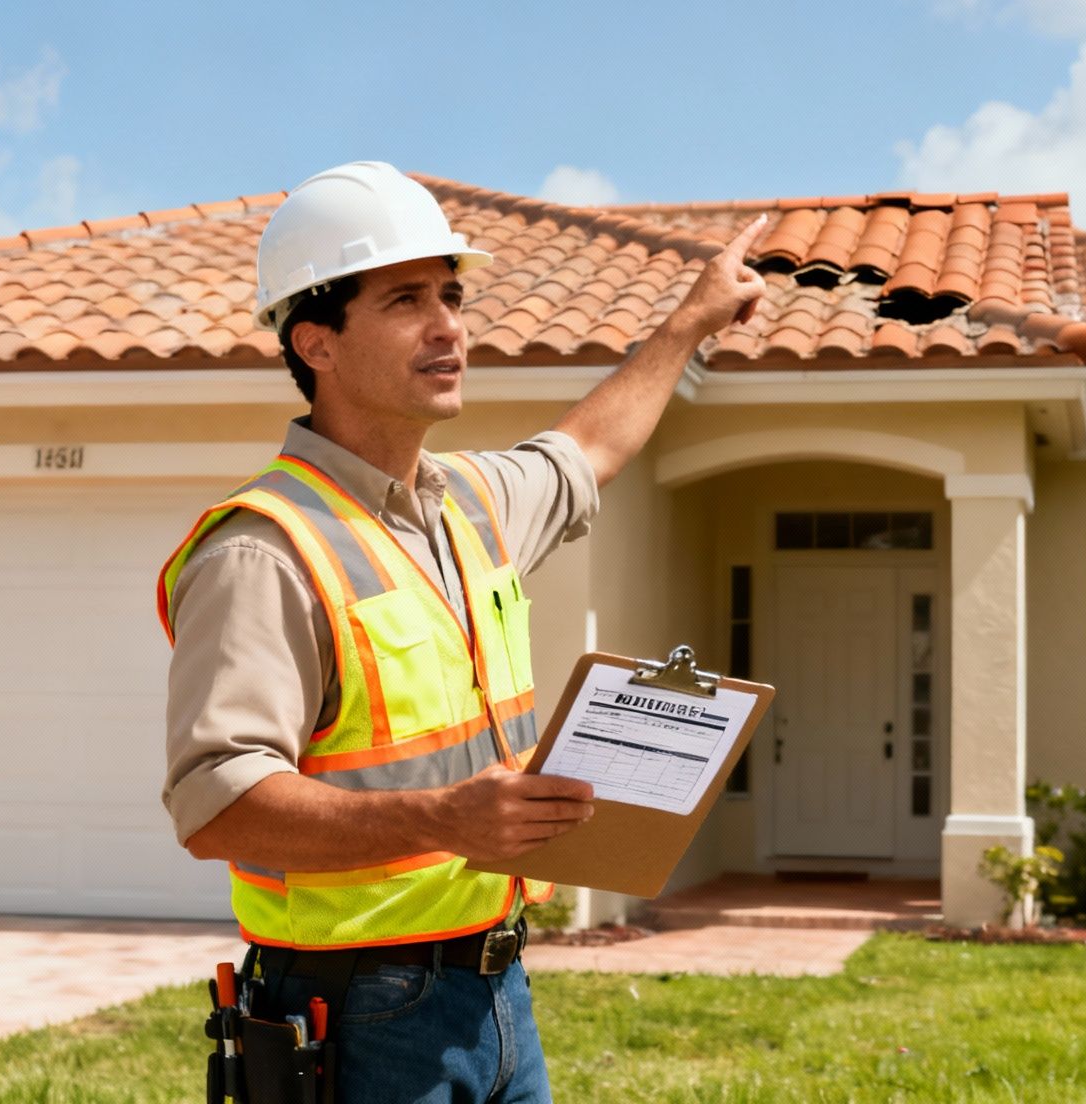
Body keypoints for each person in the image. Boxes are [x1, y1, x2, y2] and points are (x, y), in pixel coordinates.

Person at [157, 161, 765, 1103]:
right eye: (405, 299)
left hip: (497, 991)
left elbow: (589, 448)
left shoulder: (473, 503)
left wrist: (689, 323)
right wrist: (442, 819)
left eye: (451, 294)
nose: (449, 324)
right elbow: (216, 805)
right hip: (353, 1013)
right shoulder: (266, 550)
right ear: (315, 340)